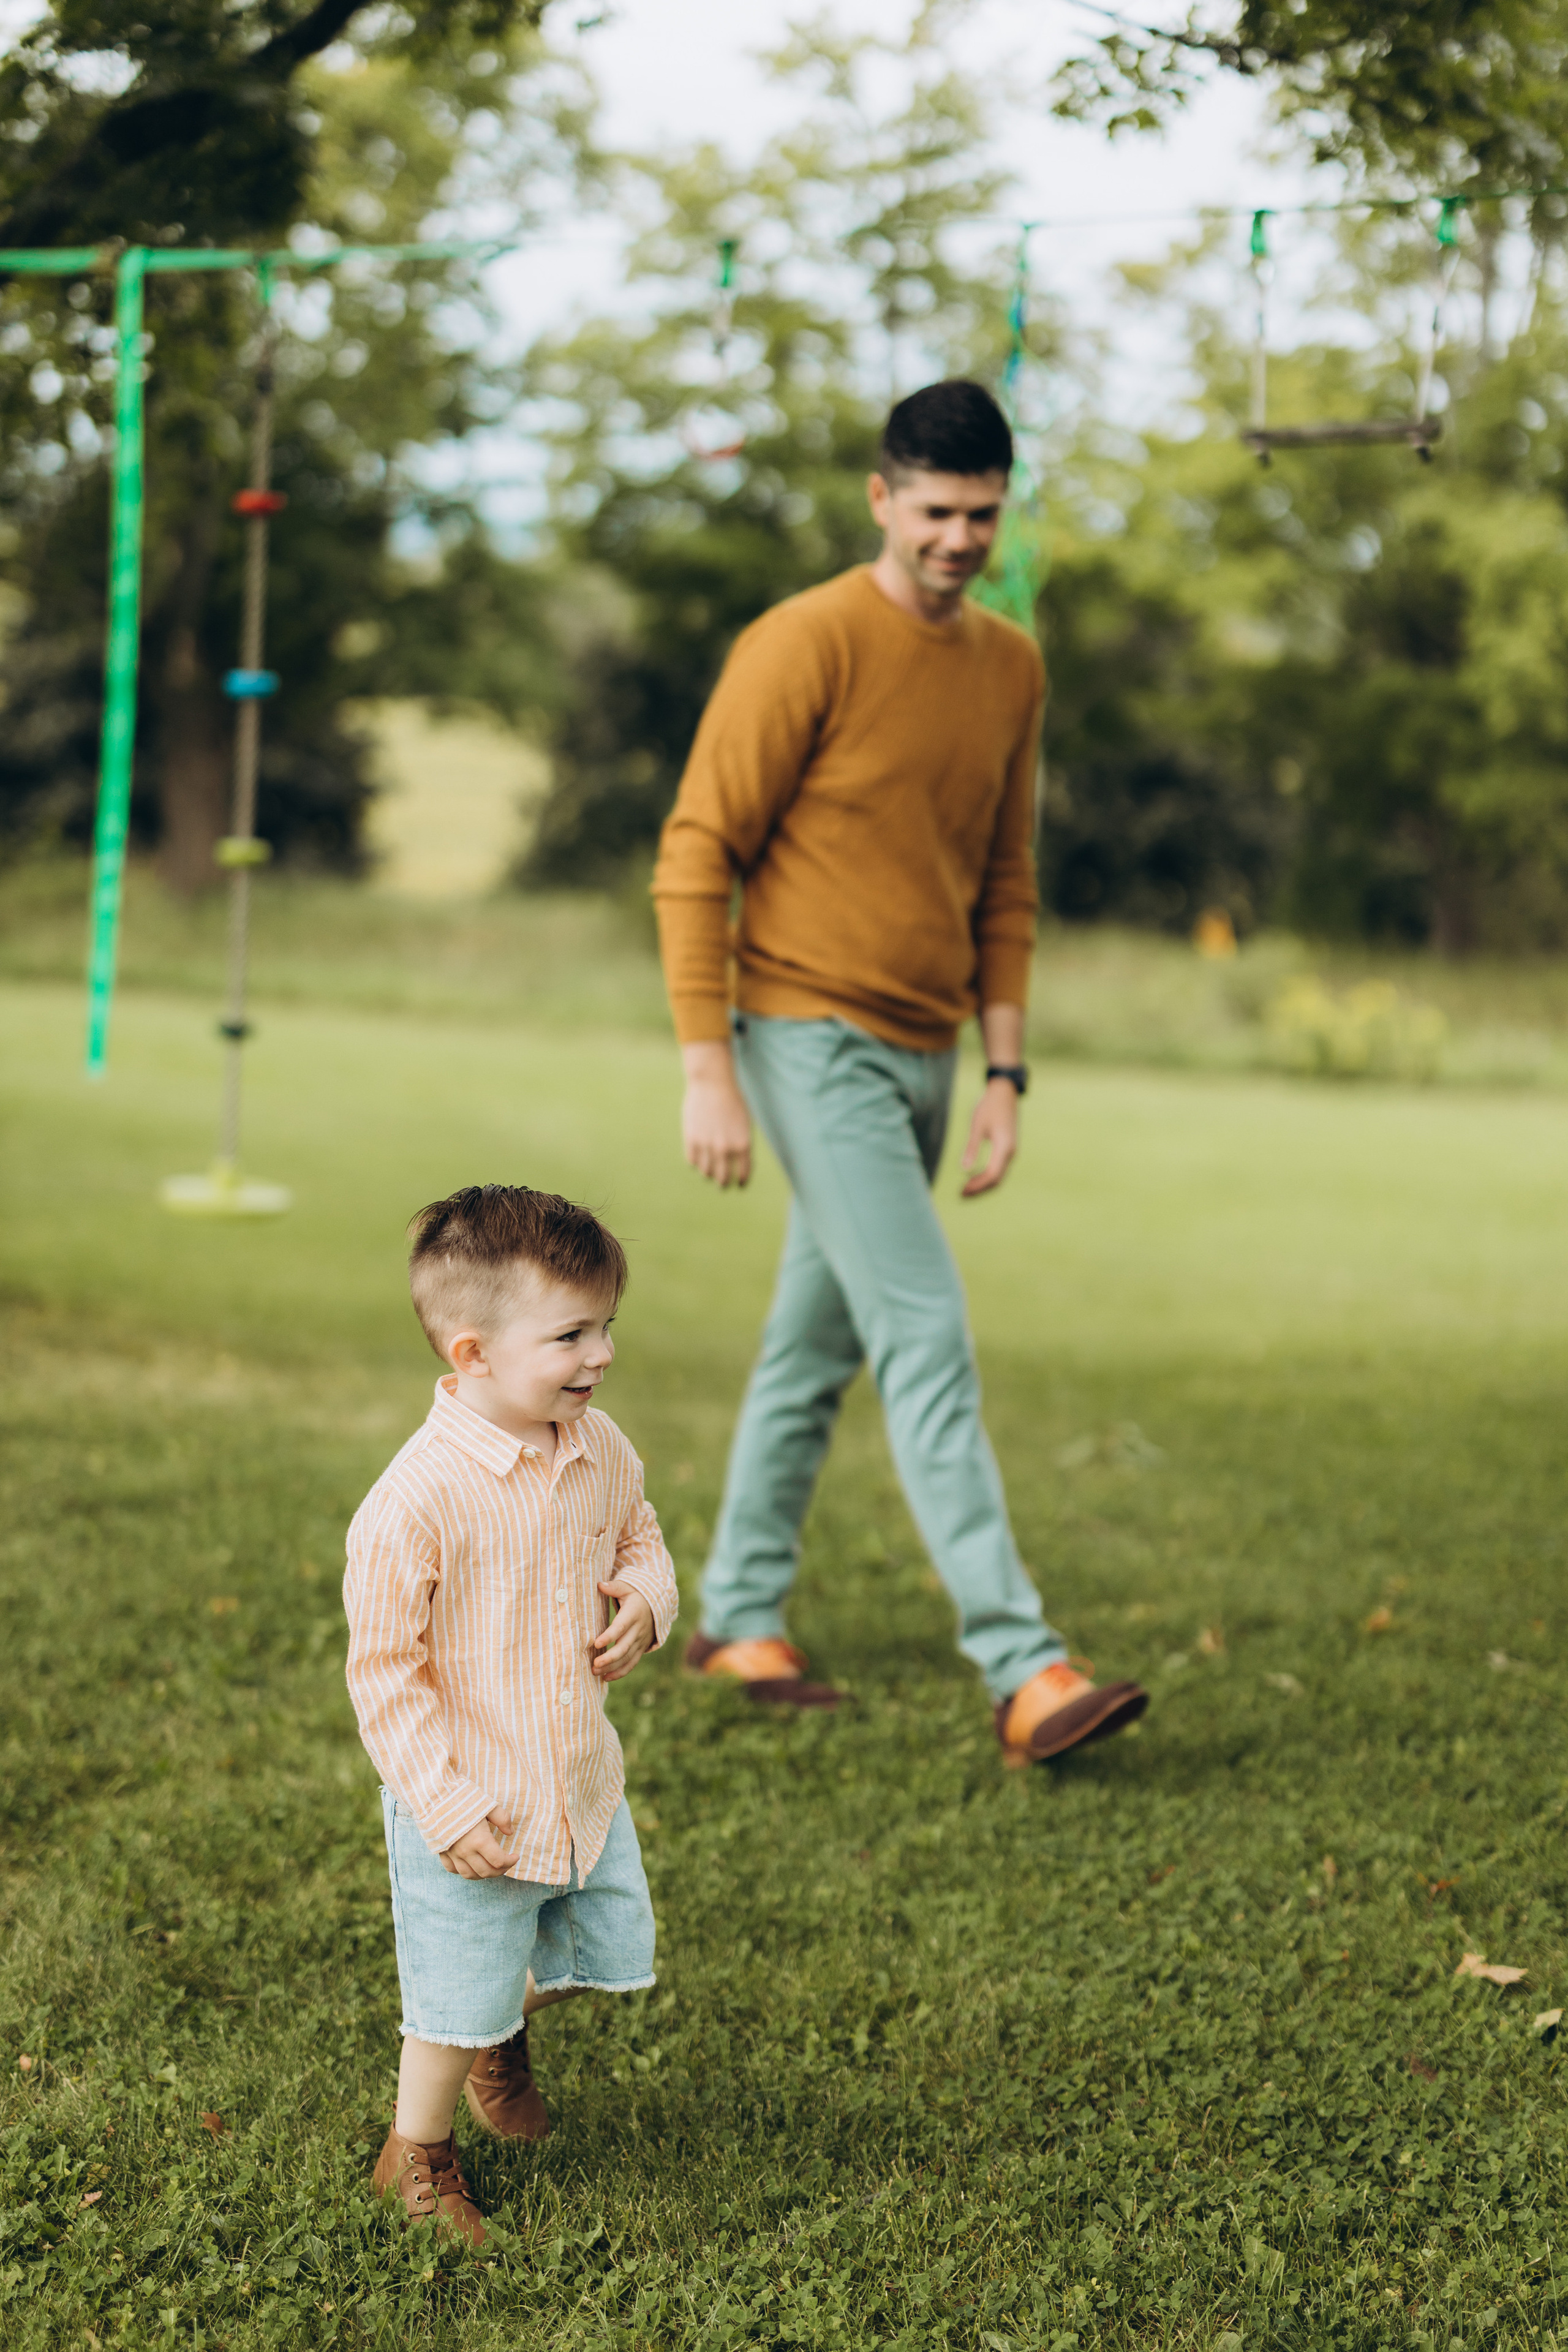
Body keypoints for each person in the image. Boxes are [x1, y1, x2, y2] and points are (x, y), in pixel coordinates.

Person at [652, 377, 1147, 1768]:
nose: (956, 539)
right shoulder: (800, 643)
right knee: (921, 1331)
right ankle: (1022, 1663)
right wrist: (709, 1066)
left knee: (815, 1347)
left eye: (981, 515)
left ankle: (738, 1615)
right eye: (933, 512)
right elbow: (697, 855)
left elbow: (1003, 874)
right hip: (809, 1041)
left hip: (935, 1054)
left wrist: (1003, 1073)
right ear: (881, 499)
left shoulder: (1009, 665)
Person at [343, 1185, 678, 2246]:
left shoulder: (597, 1445)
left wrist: (649, 1601)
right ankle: (416, 2159)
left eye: (606, 1327)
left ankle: (501, 2034)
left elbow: (641, 1535)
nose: (602, 1355)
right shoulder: (416, 1502)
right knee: (450, 1995)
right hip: (472, 1802)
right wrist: (439, 1804)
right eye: (572, 1334)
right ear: (474, 1354)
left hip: (575, 1775)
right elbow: (385, 1675)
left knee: (590, 1948)